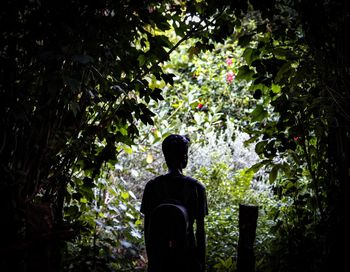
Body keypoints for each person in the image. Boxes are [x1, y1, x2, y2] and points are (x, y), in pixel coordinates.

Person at [140, 134, 208, 272]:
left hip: (160, 259)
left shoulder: (152, 186)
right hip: (187, 259)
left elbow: (147, 231)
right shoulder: (196, 188)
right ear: (185, 157)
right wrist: (201, 262)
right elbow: (200, 232)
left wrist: (152, 261)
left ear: (165, 157)